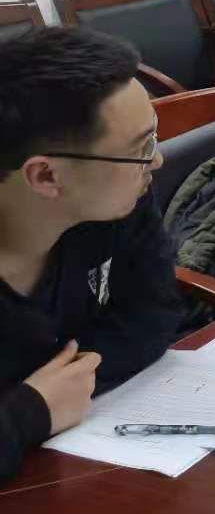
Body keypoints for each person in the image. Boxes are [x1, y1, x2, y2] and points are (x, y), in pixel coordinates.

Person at [0, 28, 182, 482]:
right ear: (46, 176)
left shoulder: (119, 201)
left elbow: (155, 313)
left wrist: (71, 384)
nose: (156, 162)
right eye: (141, 149)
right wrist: (29, 411)